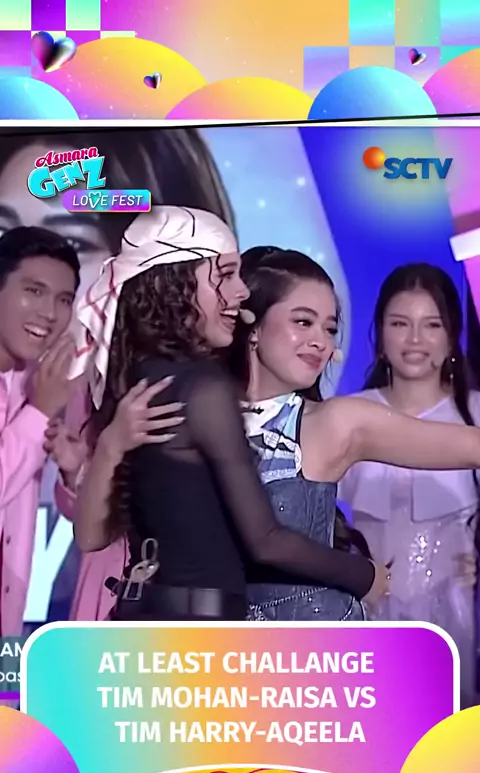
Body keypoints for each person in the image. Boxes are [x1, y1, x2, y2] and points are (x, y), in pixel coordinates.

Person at [70, 207, 387, 621]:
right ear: (177, 281)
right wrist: (364, 575)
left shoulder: (137, 381)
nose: (240, 293)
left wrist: (110, 444)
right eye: (225, 275)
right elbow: (265, 541)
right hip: (200, 632)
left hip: (145, 623)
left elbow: (90, 536)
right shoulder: (204, 389)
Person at [0, 126, 235, 622]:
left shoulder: (189, 384)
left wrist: (76, 472)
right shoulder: (48, 386)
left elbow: (98, 519)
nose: (48, 308)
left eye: (74, 243)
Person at [224, 247, 480, 625]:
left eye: (329, 329)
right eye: (303, 322)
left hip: (320, 648)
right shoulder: (199, 410)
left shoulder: (336, 421)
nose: (321, 341)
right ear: (253, 325)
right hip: (212, 648)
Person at [338, 263, 479, 707]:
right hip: (366, 610)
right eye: (400, 324)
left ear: (452, 334)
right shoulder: (347, 415)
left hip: (456, 611)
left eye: (431, 325)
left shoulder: (475, 414)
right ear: (380, 333)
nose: (415, 339)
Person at [0, 226, 81, 637]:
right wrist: (39, 413)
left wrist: (73, 473)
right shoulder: (43, 397)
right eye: (34, 291)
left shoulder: (39, 383)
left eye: (64, 299)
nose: (49, 313)